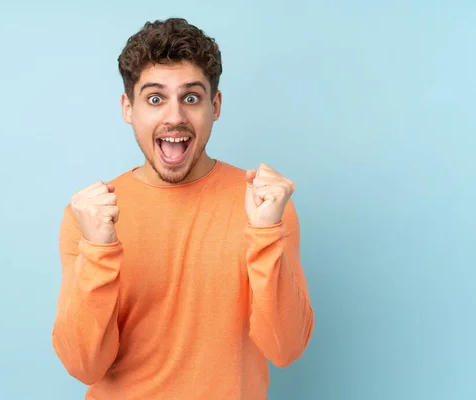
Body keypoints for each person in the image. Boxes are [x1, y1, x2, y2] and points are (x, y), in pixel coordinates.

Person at [51, 17, 314, 399]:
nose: (174, 116)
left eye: (191, 97)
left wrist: (265, 236)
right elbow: (83, 365)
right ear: (128, 107)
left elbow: (286, 348)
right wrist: (98, 252)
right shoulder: (90, 216)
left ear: (215, 105)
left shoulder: (263, 206)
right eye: (155, 99)